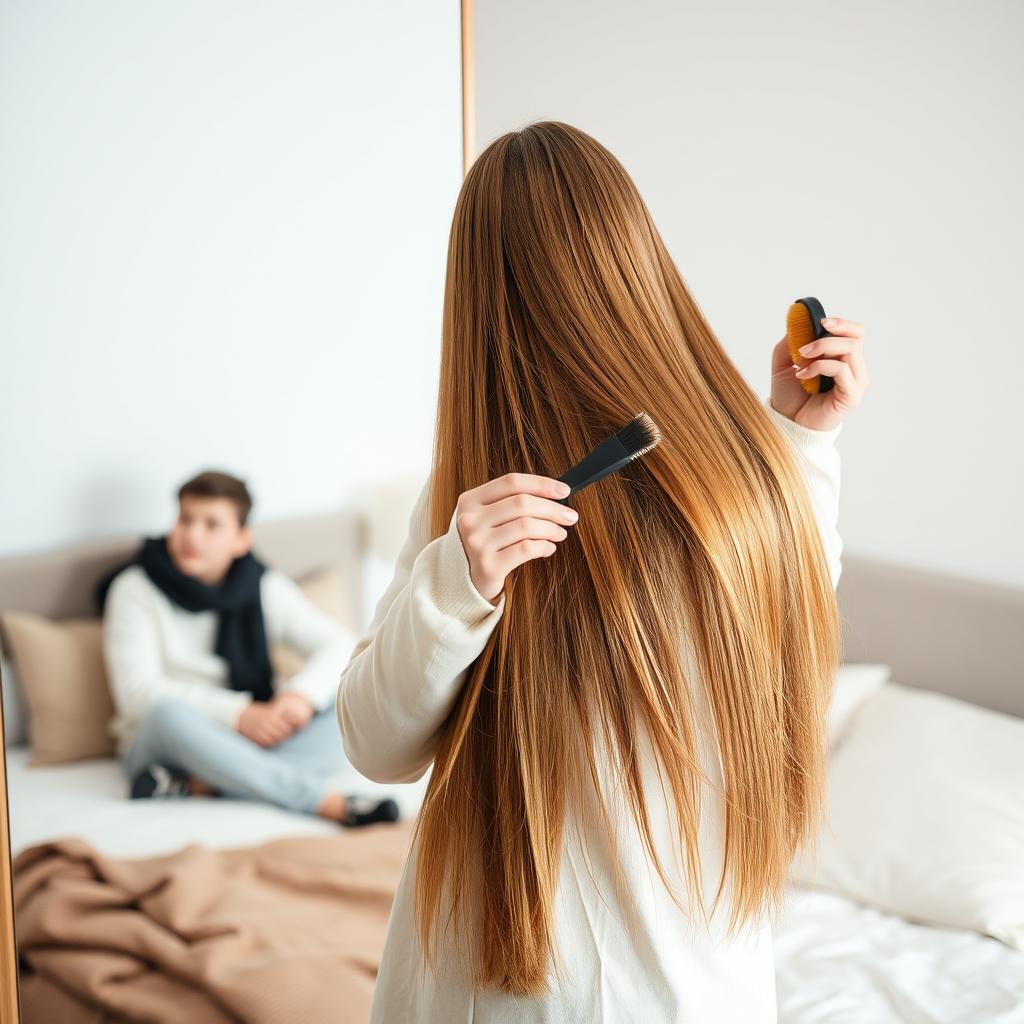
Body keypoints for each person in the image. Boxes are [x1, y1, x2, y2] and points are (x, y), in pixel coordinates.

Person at [337, 121, 869, 1020]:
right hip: (654, 981)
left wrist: (792, 449)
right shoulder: (478, 498)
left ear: (479, 298)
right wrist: (457, 583)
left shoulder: (748, 476)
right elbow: (375, 740)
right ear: (637, 261)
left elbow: (786, 632)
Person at [98, 469, 398, 829]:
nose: (192, 534)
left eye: (211, 524)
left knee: (355, 702)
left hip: (250, 742)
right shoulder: (134, 589)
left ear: (241, 540)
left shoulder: (261, 585)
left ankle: (205, 784)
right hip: (168, 741)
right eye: (185, 518)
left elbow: (343, 645)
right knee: (167, 714)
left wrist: (300, 697)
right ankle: (323, 801)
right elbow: (137, 695)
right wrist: (240, 714)